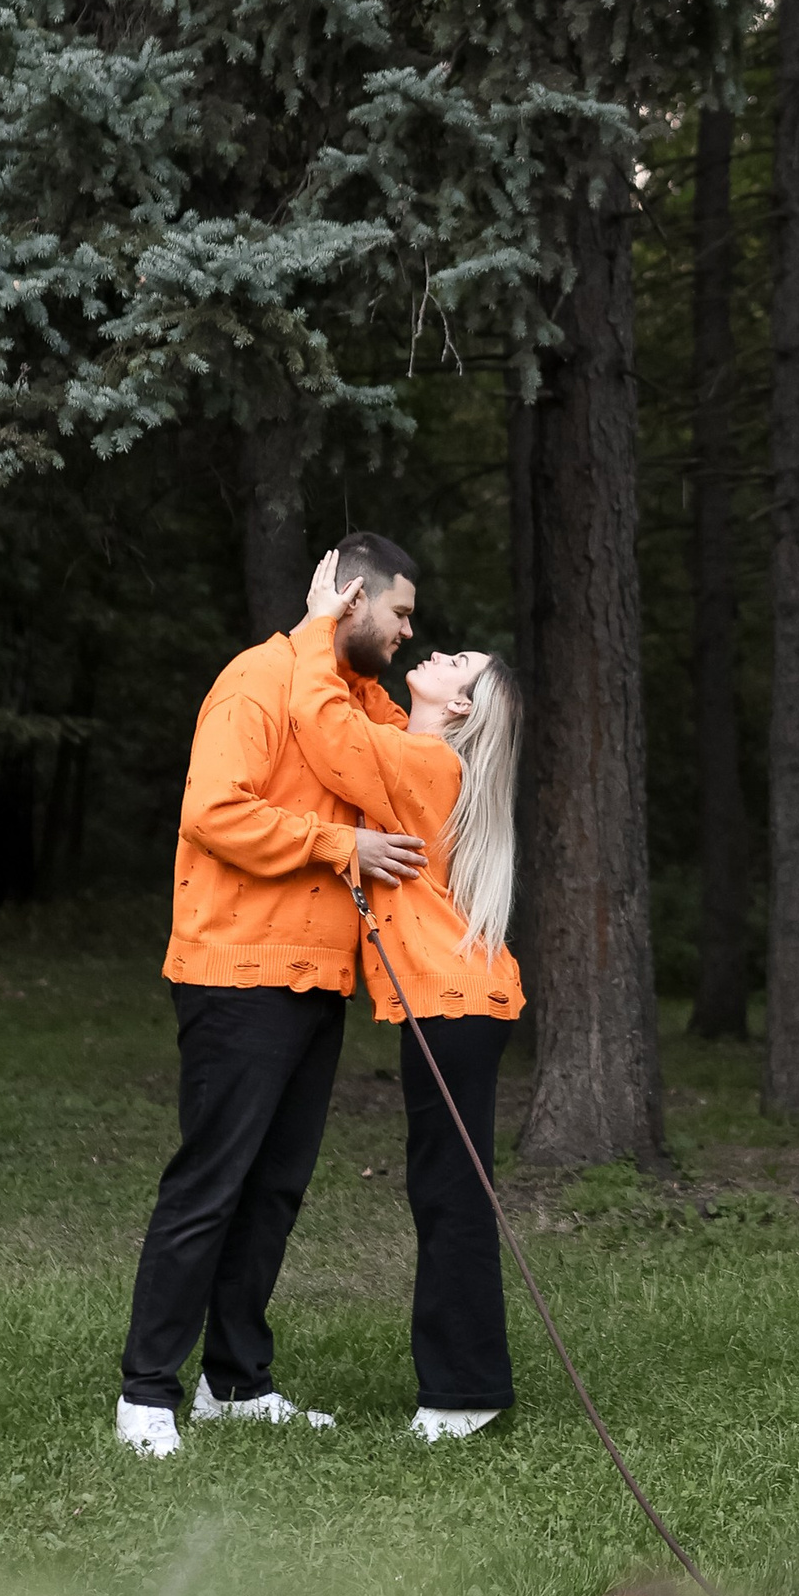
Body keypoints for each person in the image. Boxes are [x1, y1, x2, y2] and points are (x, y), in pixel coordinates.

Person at [113, 530, 427, 1457]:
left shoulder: (348, 700)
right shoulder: (256, 679)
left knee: (275, 1188)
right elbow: (214, 811)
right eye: (400, 612)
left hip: (315, 976)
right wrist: (342, 847)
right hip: (236, 972)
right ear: (353, 600)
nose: (409, 632)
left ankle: (235, 1382)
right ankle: (145, 1396)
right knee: (211, 1184)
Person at [288, 549, 525, 1442]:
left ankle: (464, 1396)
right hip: (452, 1004)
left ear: (459, 707)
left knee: (450, 1195)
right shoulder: (414, 752)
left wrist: (318, 623)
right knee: (446, 1190)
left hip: (454, 1007)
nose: (435, 651)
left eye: (456, 664)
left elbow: (322, 723)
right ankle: (467, 1385)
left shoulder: (425, 769)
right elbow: (360, 716)